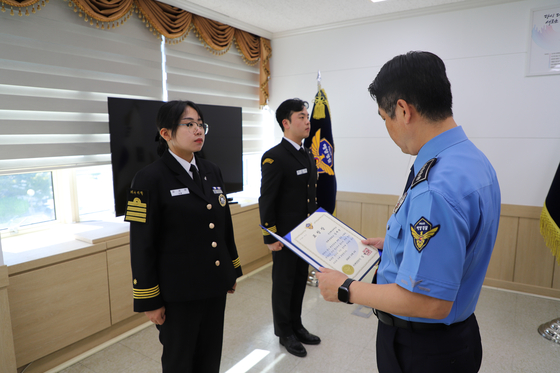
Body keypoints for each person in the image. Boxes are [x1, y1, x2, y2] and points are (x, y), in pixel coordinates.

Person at [317, 51, 501, 373]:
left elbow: (431, 302)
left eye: (384, 118)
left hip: (423, 351)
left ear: (403, 110)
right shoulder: (470, 159)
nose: (387, 128)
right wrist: (396, 247)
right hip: (457, 339)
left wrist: (346, 289)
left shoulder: (436, 186)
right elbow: (456, 246)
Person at [125, 100, 243, 372]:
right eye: (189, 124)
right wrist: (149, 299)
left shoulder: (212, 170)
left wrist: (230, 270)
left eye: (201, 124)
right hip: (178, 294)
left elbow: (223, 226)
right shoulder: (147, 179)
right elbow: (142, 244)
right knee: (180, 361)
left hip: (213, 285)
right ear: (166, 133)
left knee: (210, 355)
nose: (198, 130)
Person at [259, 98, 321, 357]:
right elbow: (267, 199)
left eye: (307, 116)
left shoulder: (306, 153)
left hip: (304, 235)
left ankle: (297, 325)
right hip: (284, 236)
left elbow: (309, 195)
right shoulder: (274, 157)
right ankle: (284, 332)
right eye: (301, 117)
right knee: (283, 284)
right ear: (286, 123)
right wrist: (269, 235)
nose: (307, 121)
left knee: (298, 282)